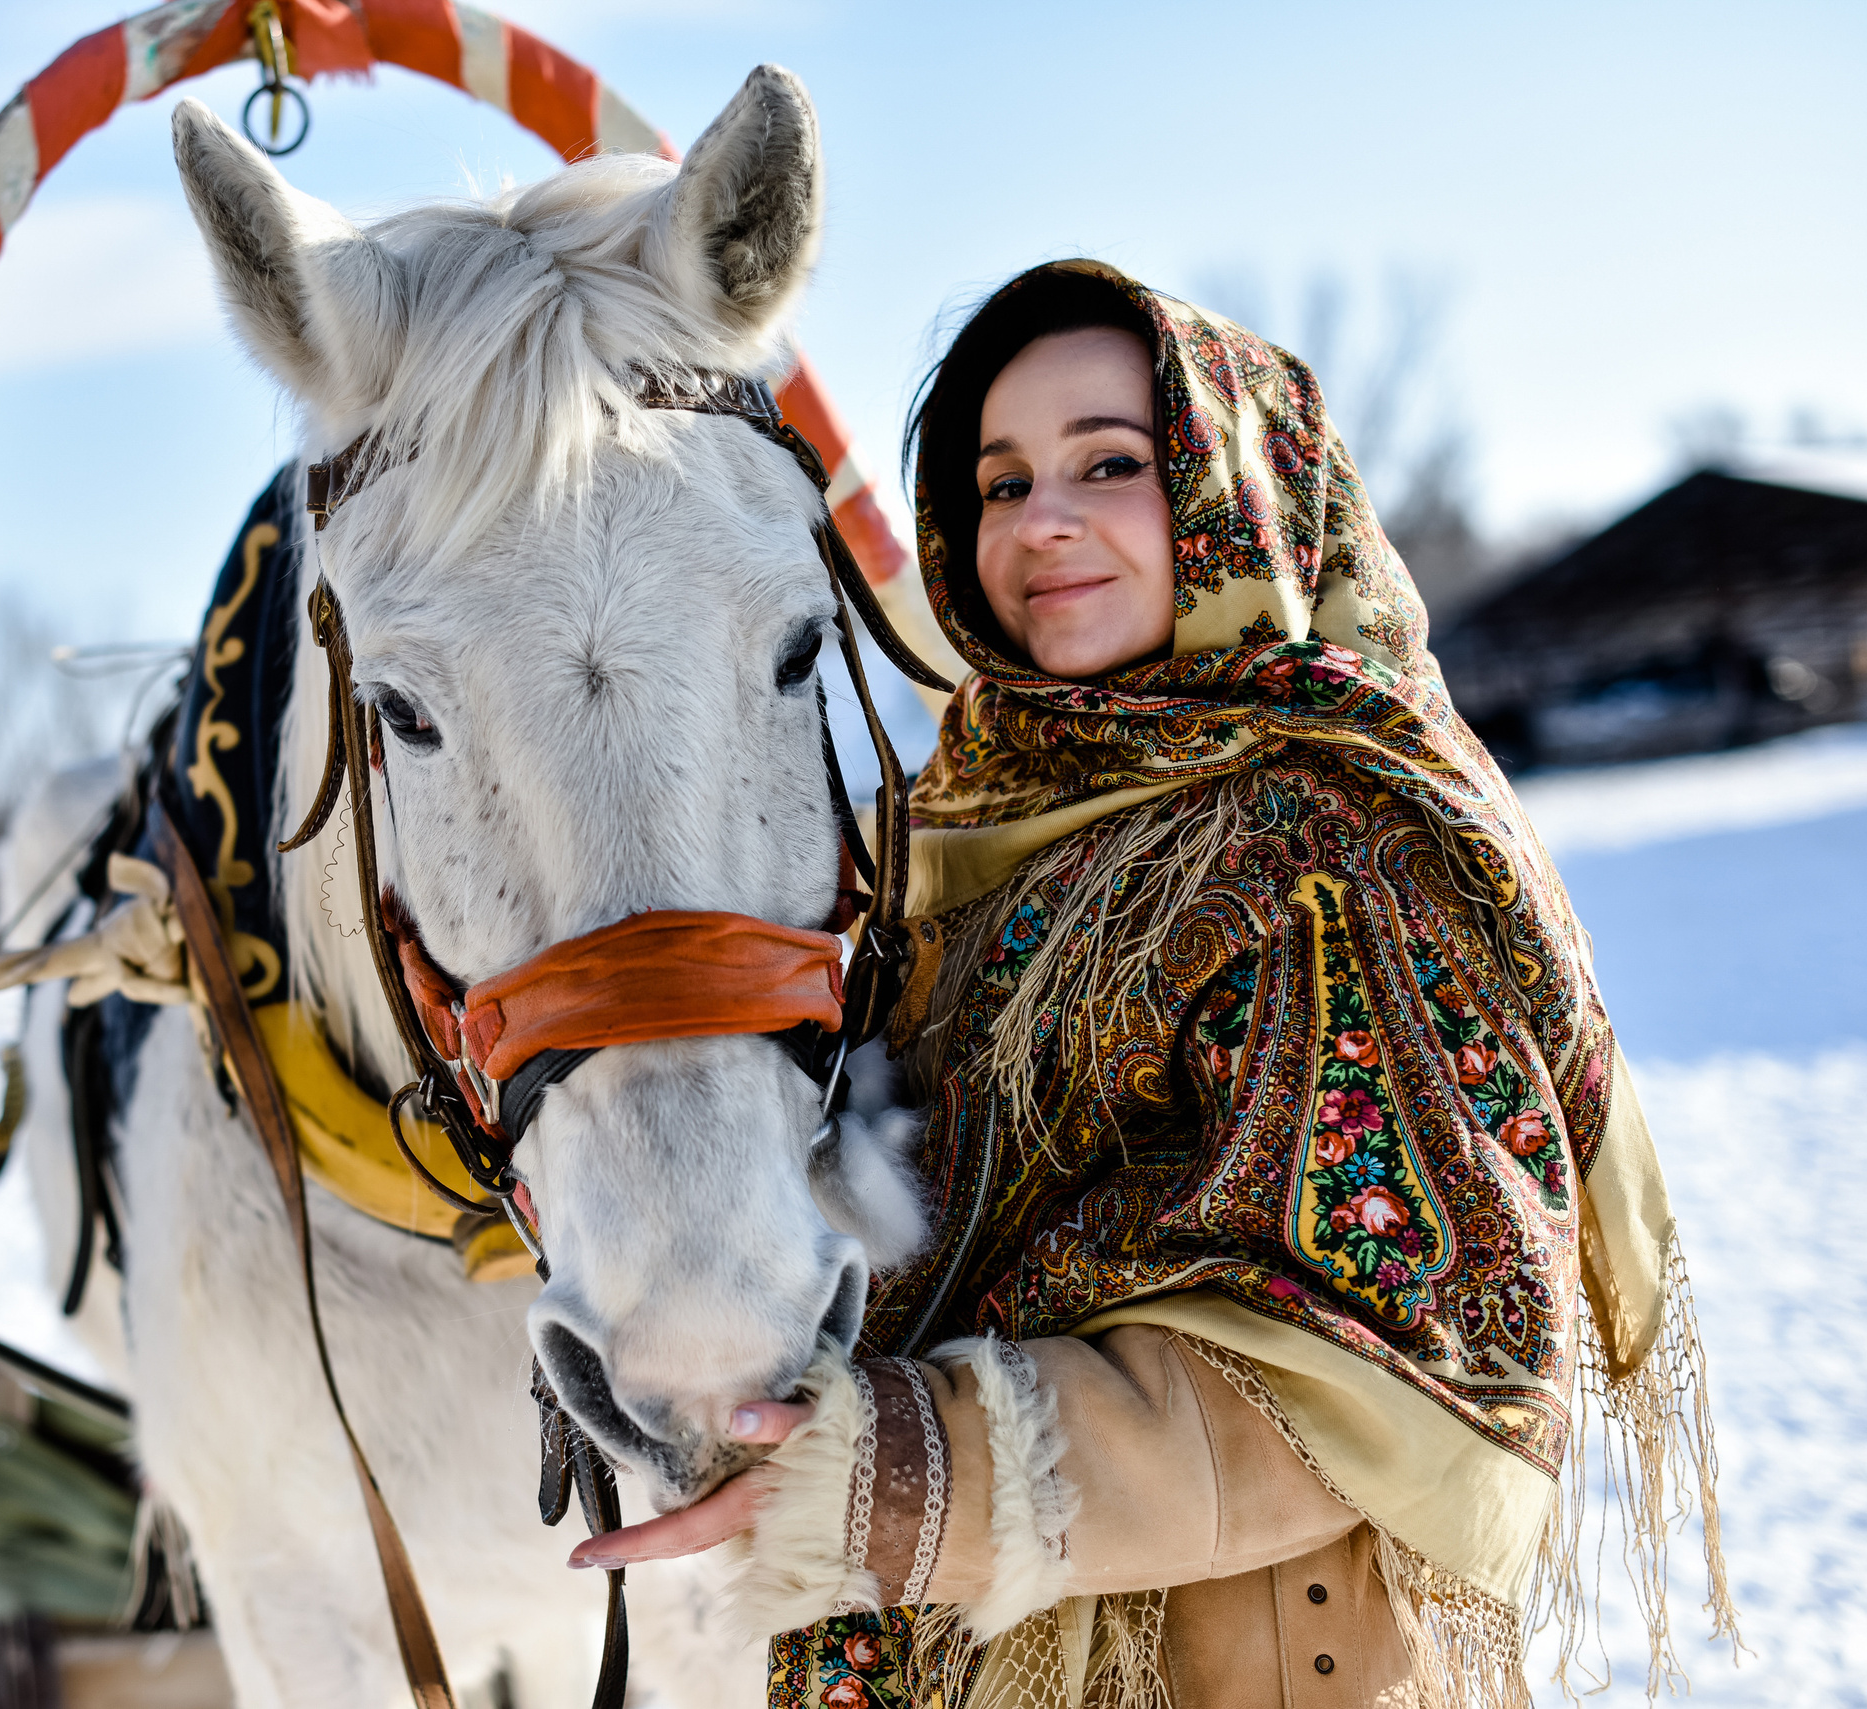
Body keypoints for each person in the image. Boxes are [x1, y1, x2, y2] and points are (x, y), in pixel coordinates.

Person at [579, 261, 1734, 1707]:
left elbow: (1373, 1354)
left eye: (1111, 464)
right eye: (999, 483)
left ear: (1232, 487)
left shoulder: (1332, 836)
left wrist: (898, 1473)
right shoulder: (958, 820)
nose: (1040, 520)